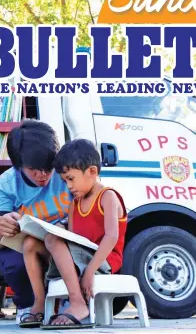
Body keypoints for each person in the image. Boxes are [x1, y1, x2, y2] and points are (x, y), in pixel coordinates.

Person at [0, 120, 72, 326]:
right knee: (10, 257)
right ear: (18, 165)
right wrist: (3, 225)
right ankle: (29, 303)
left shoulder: (67, 172)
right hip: (29, 249)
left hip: (67, 245)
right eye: (34, 169)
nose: (42, 175)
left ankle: (68, 302)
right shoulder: (5, 184)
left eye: (47, 168)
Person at [38, 139, 127, 329]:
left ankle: (77, 303)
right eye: (64, 181)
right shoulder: (75, 204)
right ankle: (49, 306)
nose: (68, 186)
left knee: (52, 240)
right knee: (42, 241)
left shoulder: (108, 196)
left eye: (71, 178)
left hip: (103, 258)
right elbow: (73, 236)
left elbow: (111, 237)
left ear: (92, 172)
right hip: (83, 255)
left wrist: (89, 271)